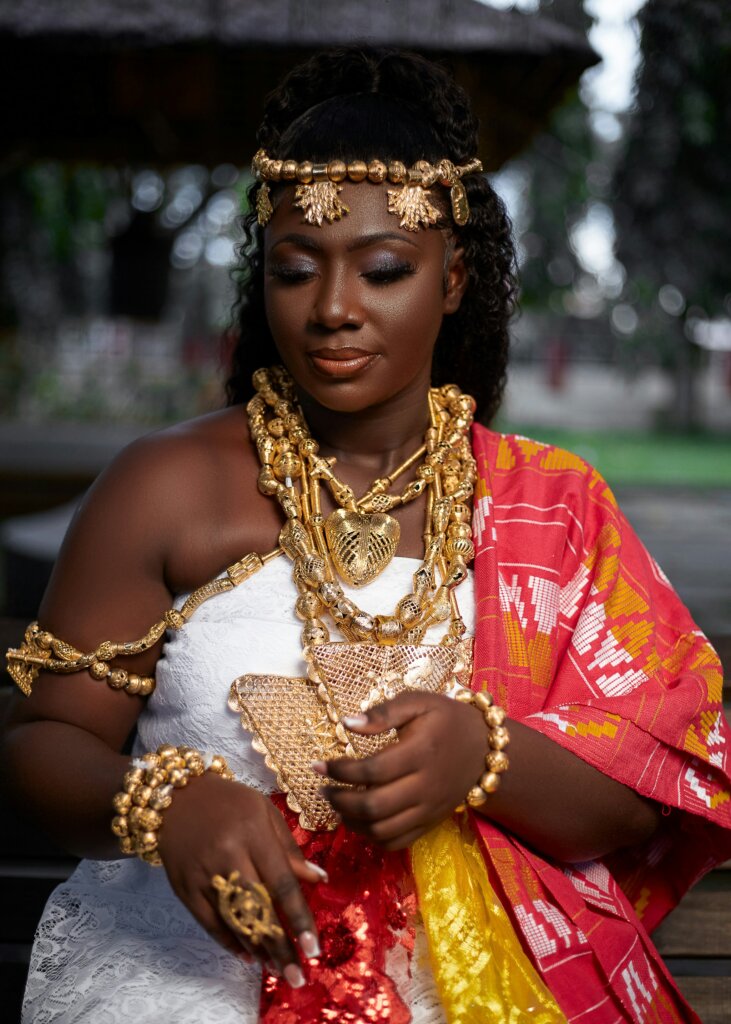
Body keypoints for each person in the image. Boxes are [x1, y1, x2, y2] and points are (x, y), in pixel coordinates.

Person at [3, 48, 731, 1024]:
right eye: (294, 270)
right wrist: (164, 803)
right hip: (189, 982)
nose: (333, 309)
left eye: (383, 270)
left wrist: (484, 757)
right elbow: (44, 741)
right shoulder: (165, 488)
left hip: (473, 990)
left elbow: (644, 790)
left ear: (453, 277)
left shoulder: (550, 506)